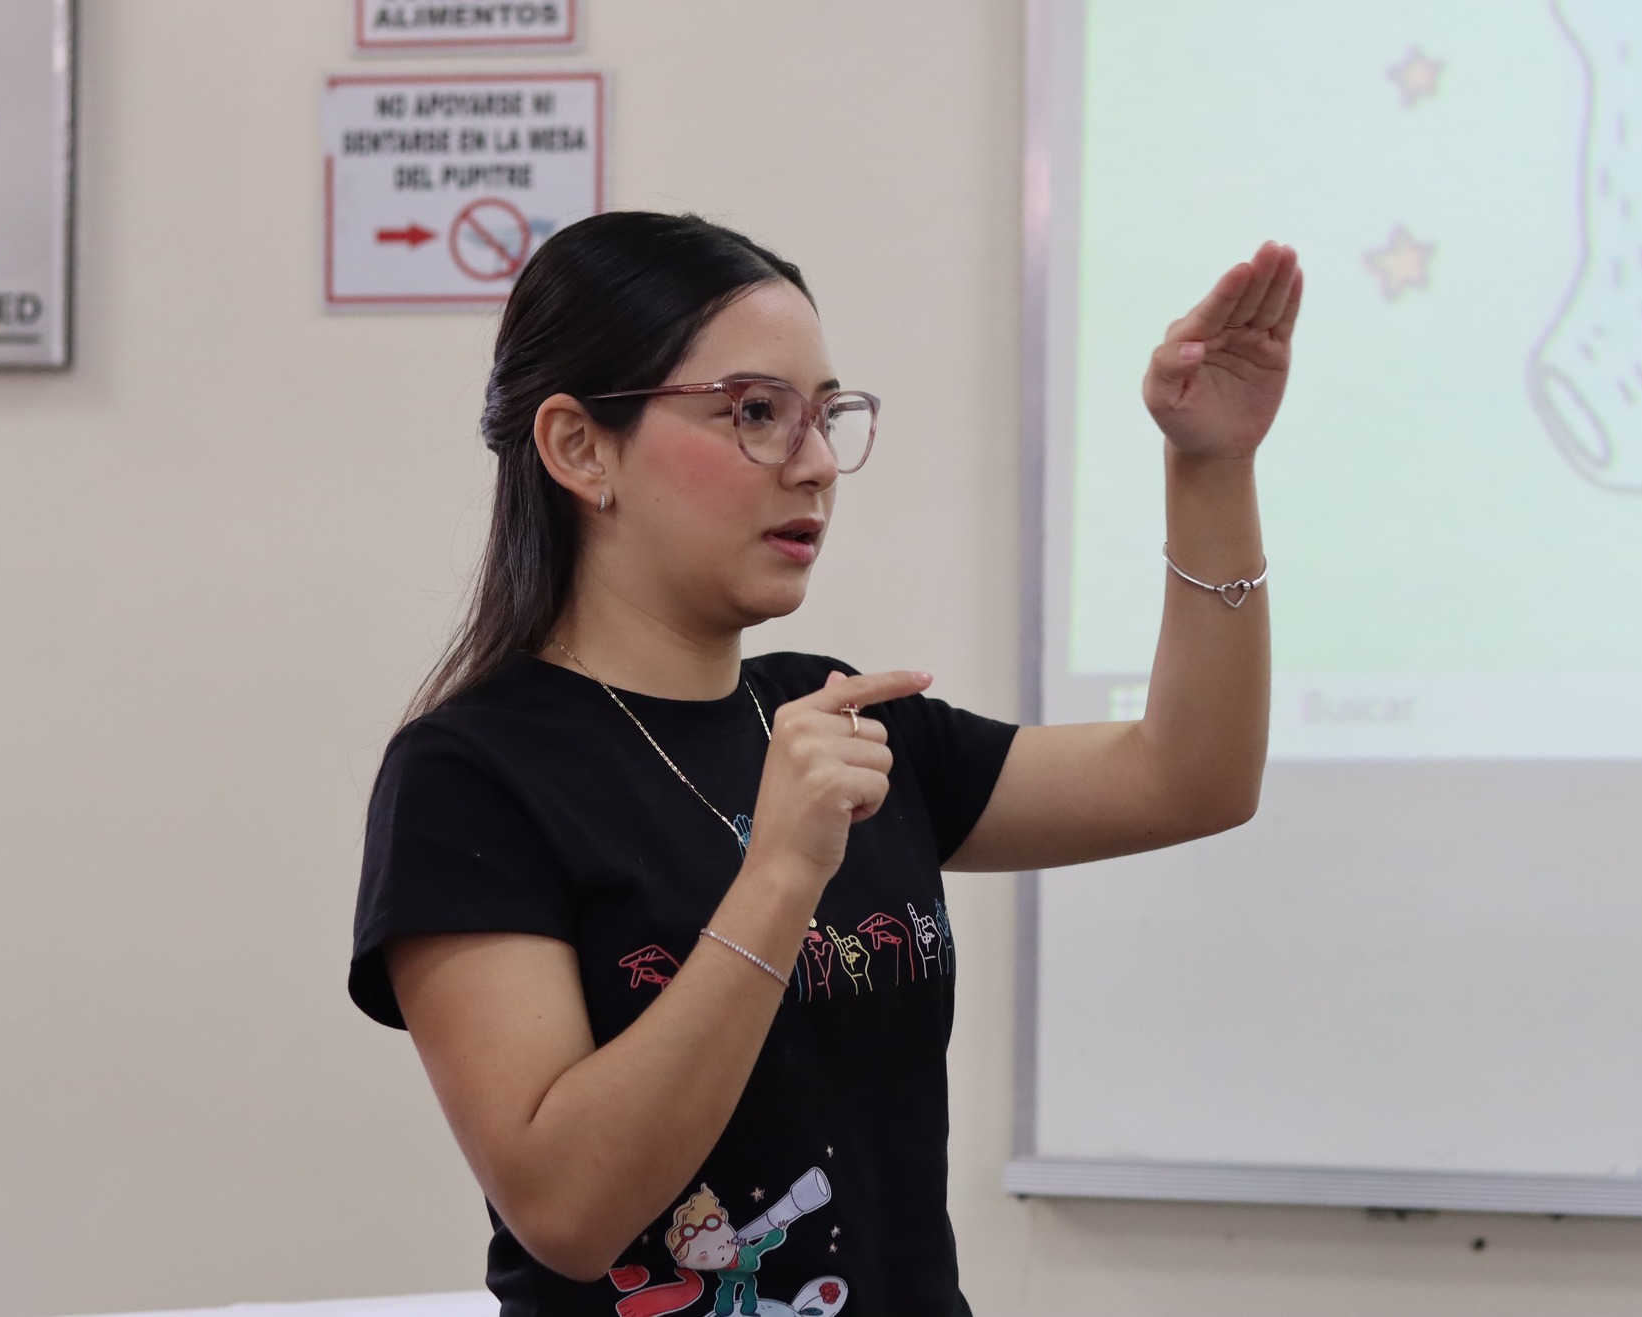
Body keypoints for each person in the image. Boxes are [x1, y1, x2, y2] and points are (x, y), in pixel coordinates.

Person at [349, 211, 1302, 1316]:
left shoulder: (828, 711)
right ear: (579, 447)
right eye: (754, 412)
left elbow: (1191, 777)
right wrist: (779, 873)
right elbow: (566, 1210)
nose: (812, 465)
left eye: (825, 415)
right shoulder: (471, 774)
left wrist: (1210, 468)